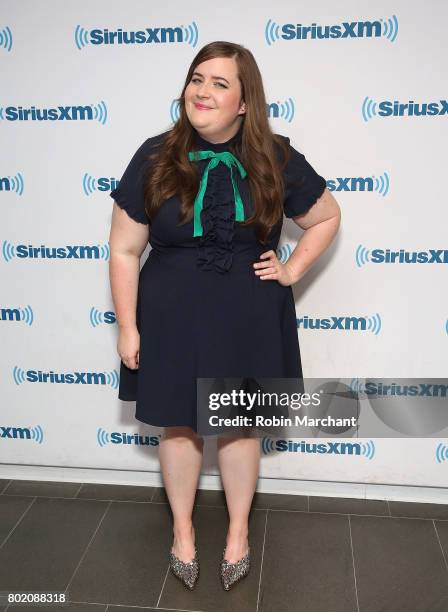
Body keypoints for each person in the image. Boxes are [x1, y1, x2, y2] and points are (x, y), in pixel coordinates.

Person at [108, 41, 341, 591]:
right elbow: (123, 250)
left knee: (238, 428)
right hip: (171, 316)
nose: (203, 91)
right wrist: (127, 325)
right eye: (197, 78)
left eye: (219, 83)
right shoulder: (154, 154)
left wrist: (291, 270)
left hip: (248, 314)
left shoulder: (274, 155)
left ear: (243, 102)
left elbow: (327, 216)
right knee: (180, 425)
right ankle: (183, 533)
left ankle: (238, 535)